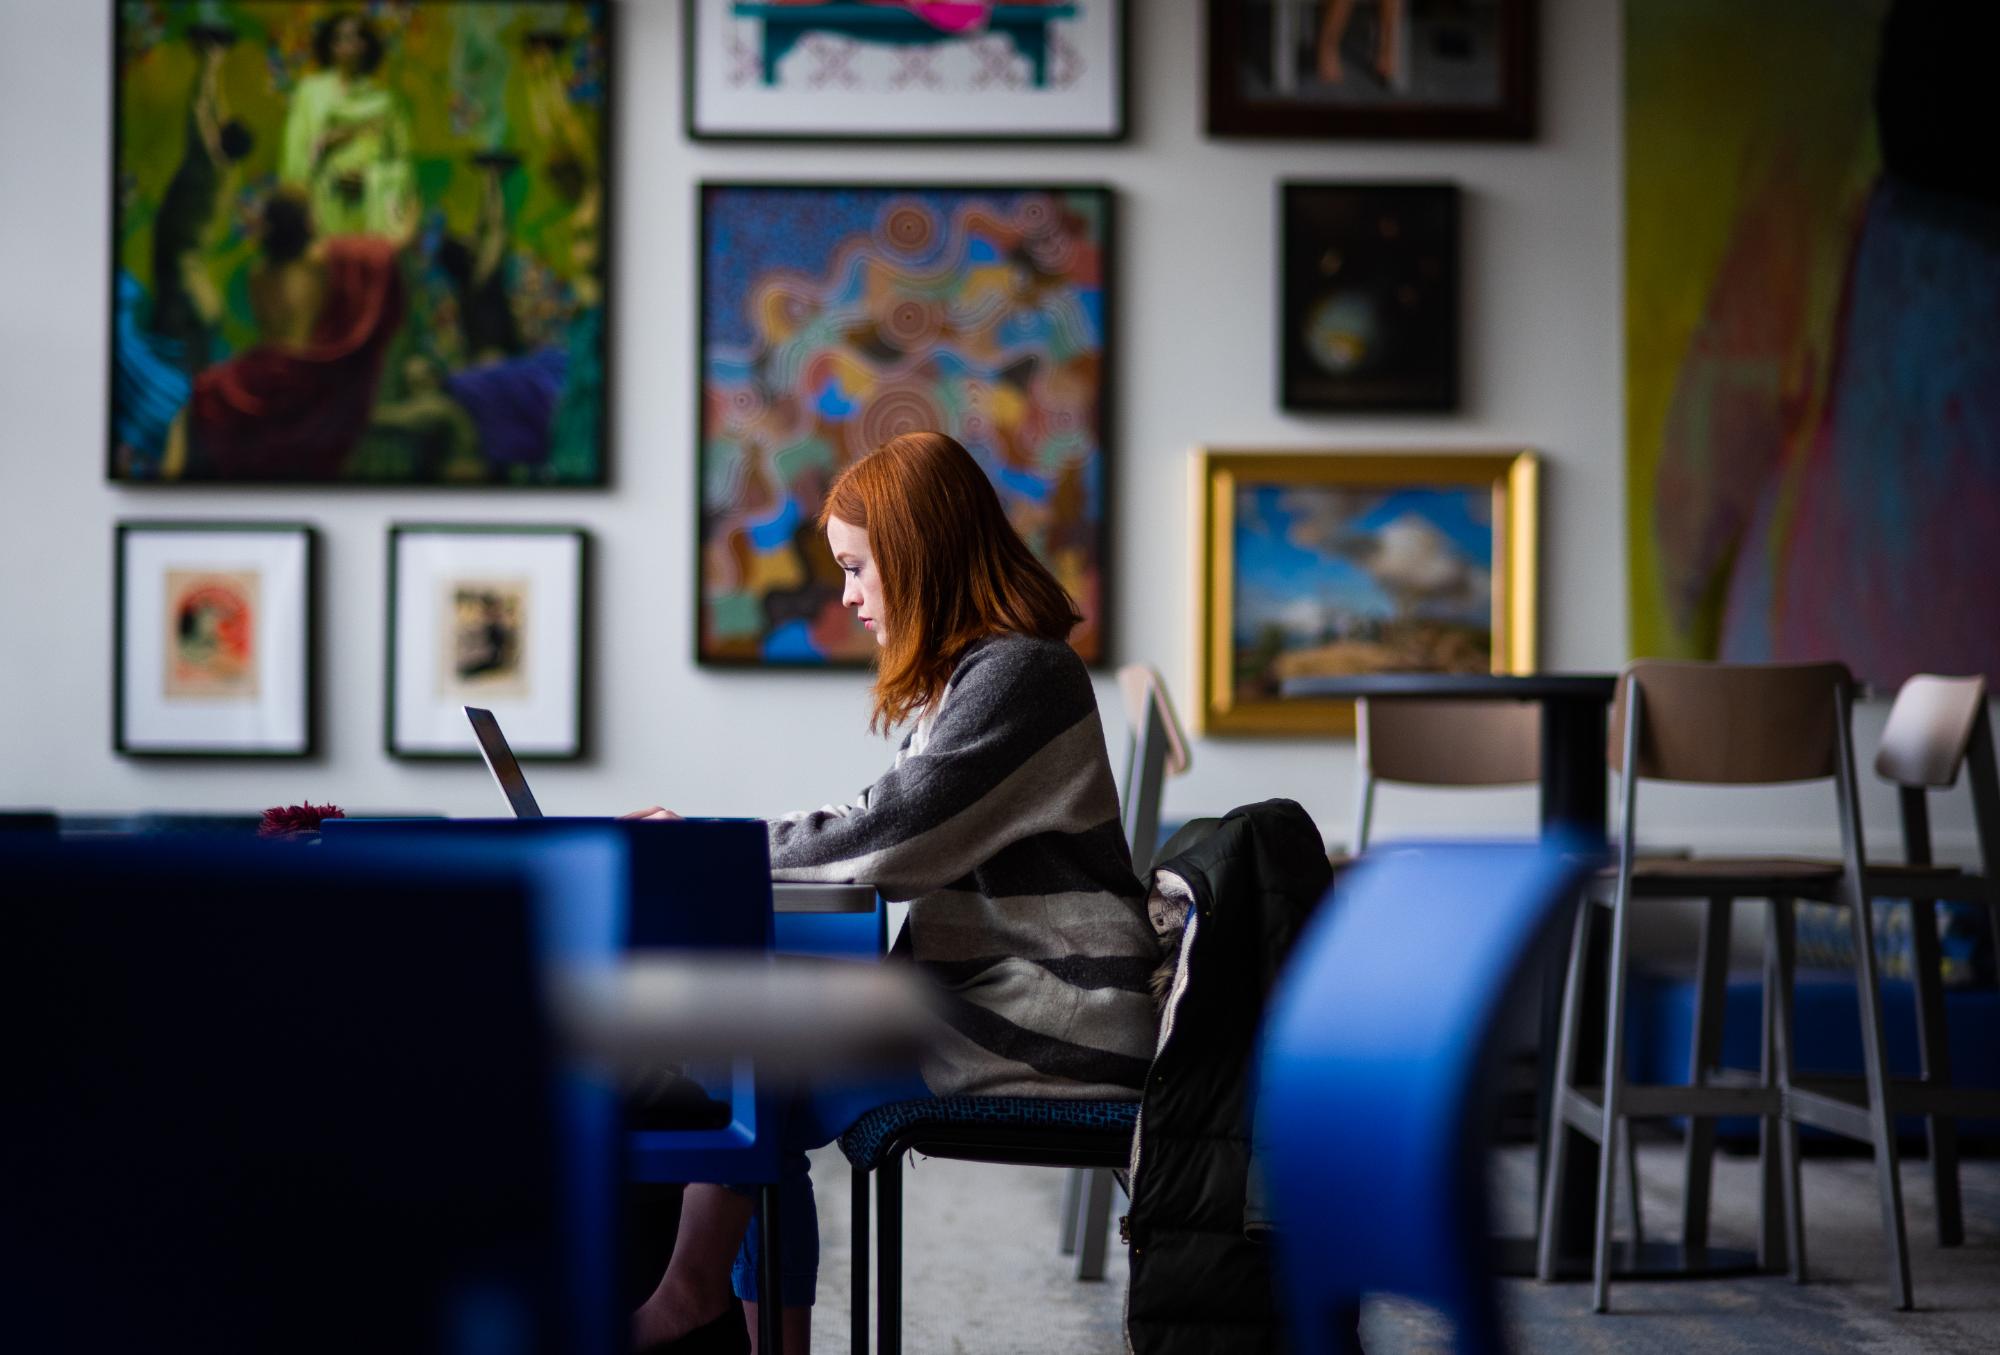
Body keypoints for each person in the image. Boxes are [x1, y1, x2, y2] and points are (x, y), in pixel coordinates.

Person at [623, 431, 1160, 1352]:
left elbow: (890, 839)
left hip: (1057, 1020)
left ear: (917, 557)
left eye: (858, 567)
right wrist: (721, 846)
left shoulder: (1023, 674)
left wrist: (710, 850)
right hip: (1011, 1000)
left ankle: (688, 1296)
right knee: (756, 1053)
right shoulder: (980, 675)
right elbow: (881, 818)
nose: (847, 596)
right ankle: (704, 1300)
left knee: (754, 1047)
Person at [166, 186, 417, 479]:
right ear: (307, 223)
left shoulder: (257, 273)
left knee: (202, 399)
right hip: (307, 379)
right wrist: (406, 223)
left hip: (259, 378)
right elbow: (383, 253)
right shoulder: (320, 261)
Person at [149, 26, 255, 374]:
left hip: (182, 270)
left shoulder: (205, 163)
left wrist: (209, 63)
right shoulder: (226, 168)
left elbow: (199, 108)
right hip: (190, 270)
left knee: (180, 349)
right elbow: (215, 113)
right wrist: (216, 64)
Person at [278, 11, 413, 238]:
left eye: (357, 37)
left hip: (369, 215)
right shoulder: (309, 93)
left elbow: (403, 164)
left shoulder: (386, 102)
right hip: (320, 211)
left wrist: (371, 179)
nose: (349, 45)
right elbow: (293, 157)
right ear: (329, 46)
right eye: (340, 38)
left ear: (368, 45)